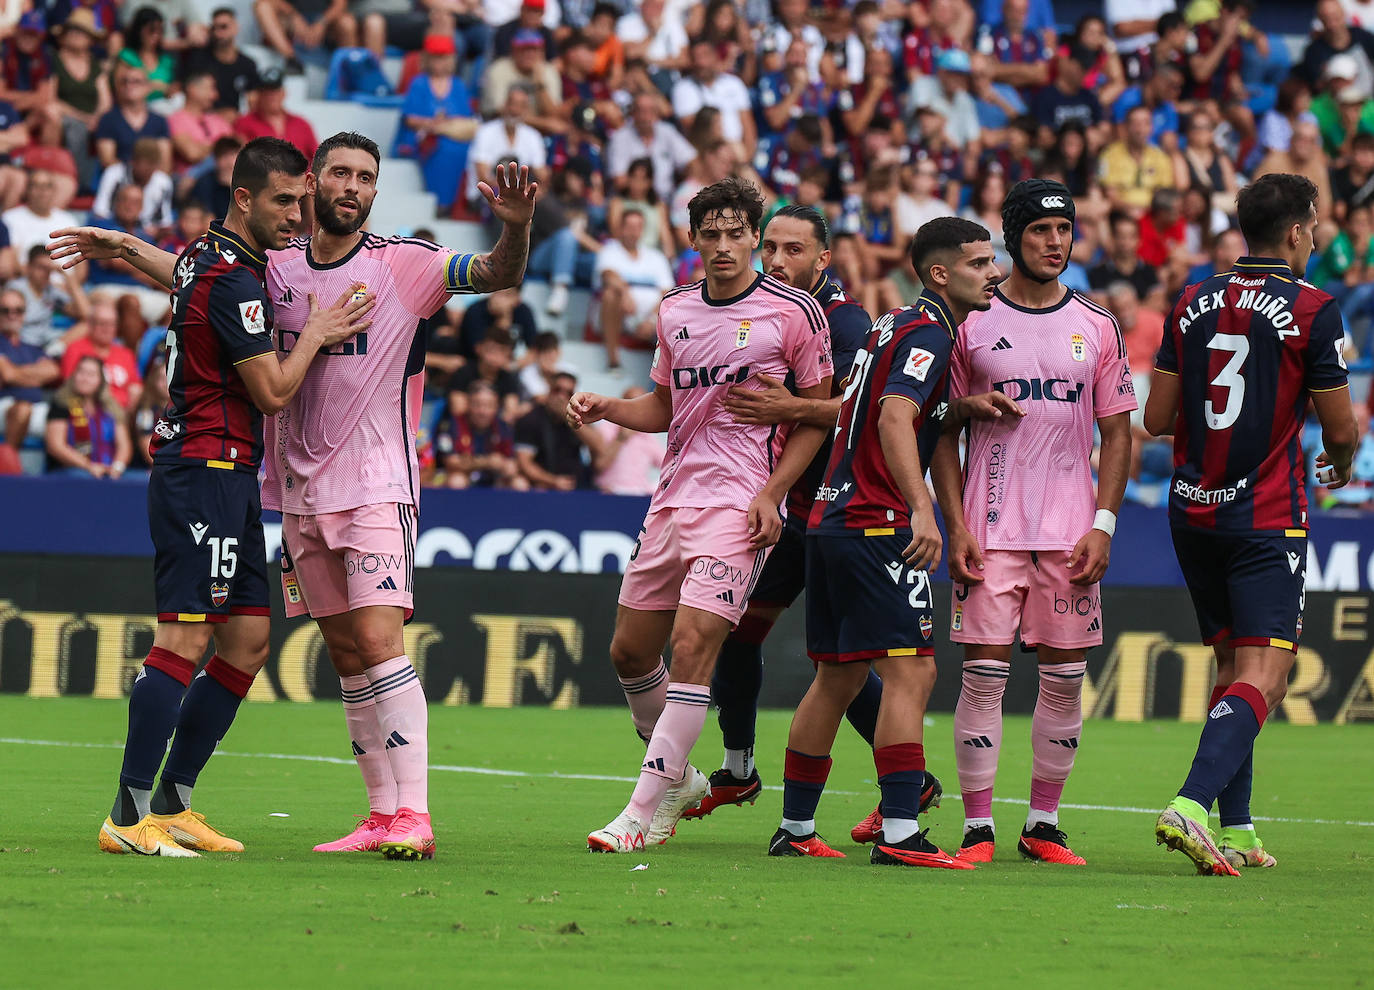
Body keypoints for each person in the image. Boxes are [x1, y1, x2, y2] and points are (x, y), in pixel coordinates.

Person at [52, 133, 539, 860]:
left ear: (375, 191)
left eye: (364, 176)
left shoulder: (404, 264)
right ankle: (375, 816)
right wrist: (126, 250)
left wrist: (517, 226)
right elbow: (200, 278)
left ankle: (413, 814)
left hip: (375, 485)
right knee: (341, 652)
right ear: (314, 187)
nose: (349, 186)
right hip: (291, 490)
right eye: (336, 174)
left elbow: (496, 272)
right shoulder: (272, 264)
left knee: (368, 641)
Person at [50, 137, 370, 856]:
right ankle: (128, 818)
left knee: (248, 639)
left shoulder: (212, 255)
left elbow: (184, 273)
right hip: (203, 468)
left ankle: (173, 802)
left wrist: (129, 246)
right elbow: (275, 391)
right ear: (246, 198)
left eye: (304, 200)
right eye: (286, 202)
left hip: (231, 475)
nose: (300, 215)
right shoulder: (233, 279)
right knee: (186, 637)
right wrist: (317, 329)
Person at [567, 176, 833, 853]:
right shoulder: (674, 310)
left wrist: (773, 493)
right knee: (629, 650)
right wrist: (609, 409)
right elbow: (663, 408)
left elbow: (813, 417)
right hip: (672, 499)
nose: (722, 245)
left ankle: (640, 814)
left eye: (734, 233)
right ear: (692, 241)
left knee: (692, 649)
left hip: (740, 506)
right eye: (708, 234)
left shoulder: (794, 312)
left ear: (753, 236)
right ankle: (679, 777)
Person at [686, 204, 930, 828]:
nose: (776, 261)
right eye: (770, 248)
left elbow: (860, 409)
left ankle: (908, 788)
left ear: (825, 259)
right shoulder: (760, 309)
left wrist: (788, 406)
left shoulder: (846, 323)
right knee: (738, 630)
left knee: (847, 660)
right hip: (787, 511)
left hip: (842, 513)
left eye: (794, 251)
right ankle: (738, 767)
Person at [1145, 173, 1357, 876]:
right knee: (1268, 674)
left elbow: (1158, 418)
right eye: (1316, 224)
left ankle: (1235, 828)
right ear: (1297, 231)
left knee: (1236, 667)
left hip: (1191, 509)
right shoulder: (1313, 308)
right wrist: (1341, 461)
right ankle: (1192, 803)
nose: (1318, 235)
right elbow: (1340, 427)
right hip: (1264, 513)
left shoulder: (1192, 298)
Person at [771, 216, 999, 867]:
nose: (993, 273)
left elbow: (865, 406)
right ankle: (901, 831)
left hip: (828, 520)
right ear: (940, 274)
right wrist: (922, 511)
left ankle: (794, 827)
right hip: (876, 523)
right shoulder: (929, 332)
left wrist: (959, 410)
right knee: (912, 671)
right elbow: (895, 415)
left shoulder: (888, 324)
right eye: (980, 263)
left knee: (837, 679)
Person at [930, 179, 1136, 866]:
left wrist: (1103, 523)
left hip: (1072, 534)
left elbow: (1119, 433)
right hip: (989, 532)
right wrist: (954, 524)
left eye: (1064, 229)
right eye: (1041, 230)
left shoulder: (1098, 326)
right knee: (982, 677)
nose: (1055, 242)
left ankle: (1043, 824)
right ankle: (978, 829)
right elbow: (939, 430)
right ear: (1014, 237)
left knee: (1065, 678)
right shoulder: (971, 324)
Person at [593, 207, 675, 369]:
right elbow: (608, 276)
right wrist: (624, 292)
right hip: (620, 314)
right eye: (630, 227)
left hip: (651, 319)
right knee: (611, 294)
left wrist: (652, 320)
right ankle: (613, 360)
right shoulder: (609, 250)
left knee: (679, 307)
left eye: (638, 227)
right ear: (621, 228)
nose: (634, 232)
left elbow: (668, 293)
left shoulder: (656, 257)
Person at [44, 353, 131, 476]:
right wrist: (88, 466)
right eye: (81, 372)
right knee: (80, 475)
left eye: (91, 374)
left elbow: (124, 445)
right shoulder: (61, 404)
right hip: (70, 471)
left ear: (101, 381)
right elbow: (56, 446)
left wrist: (117, 468)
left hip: (108, 471)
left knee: (143, 479)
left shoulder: (111, 408)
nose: (84, 378)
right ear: (74, 376)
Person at [516, 370, 599, 489]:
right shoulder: (531, 419)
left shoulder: (578, 417)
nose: (561, 397)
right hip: (542, 486)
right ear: (549, 390)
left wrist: (569, 418)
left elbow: (598, 446)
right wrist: (554, 481)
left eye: (568, 393)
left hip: (577, 485)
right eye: (557, 390)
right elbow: (524, 463)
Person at [0, 286, 59, 447]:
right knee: (23, 409)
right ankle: (9, 463)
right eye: (5, 310)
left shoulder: (31, 347)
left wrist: (15, 373)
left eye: (18, 310)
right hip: (5, 405)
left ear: (24, 314)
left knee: (68, 415)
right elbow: (8, 375)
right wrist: (35, 376)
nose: (12, 316)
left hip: (36, 407)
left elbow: (53, 371)